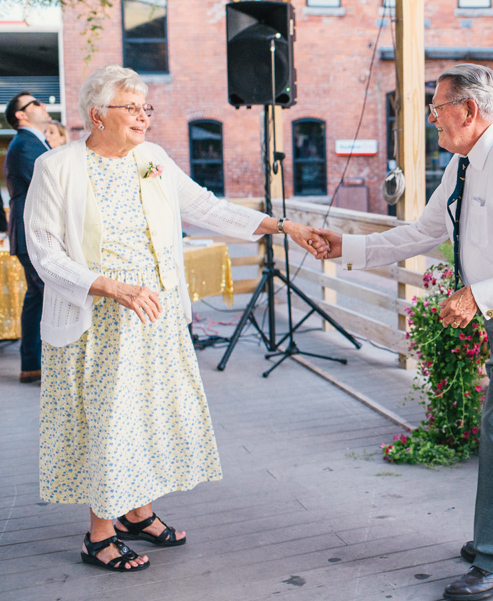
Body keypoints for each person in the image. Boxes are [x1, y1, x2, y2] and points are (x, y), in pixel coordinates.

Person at [25, 65, 328, 573]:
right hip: (97, 318)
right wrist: (110, 286)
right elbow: (43, 252)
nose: (144, 117)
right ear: (97, 115)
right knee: (112, 420)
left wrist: (283, 225)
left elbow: (208, 209)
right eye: (133, 108)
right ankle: (99, 534)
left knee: (147, 415)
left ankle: (136, 513)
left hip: (154, 314)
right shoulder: (57, 167)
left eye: (146, 107)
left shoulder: (153, 159)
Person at [315, 64, 493, 600]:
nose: (431, 117)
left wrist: (475, 296)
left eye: (437, 108)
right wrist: (349, 247)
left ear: (469, 110)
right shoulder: (463, 164)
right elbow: (425, 230)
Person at [3, 91, 52, 383]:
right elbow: (49, 186)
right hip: (31, 231)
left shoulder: (33, 141)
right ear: (21, 115)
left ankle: (32, 364)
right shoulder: (24, 145)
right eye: (35, 103)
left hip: (29, 231)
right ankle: (45, 363)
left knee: (38, 296)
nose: (42, 105)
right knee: (51, 295)